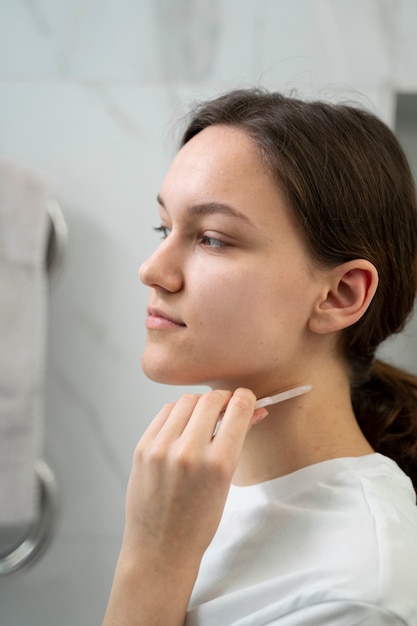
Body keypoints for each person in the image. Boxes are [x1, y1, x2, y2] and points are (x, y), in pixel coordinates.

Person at [103, 88, 417, 626]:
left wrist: (152, 563)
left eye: (213, 239)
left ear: (340, 295)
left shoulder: (357, 595)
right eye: (164, 228)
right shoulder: (192, 490)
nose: (152, 270)